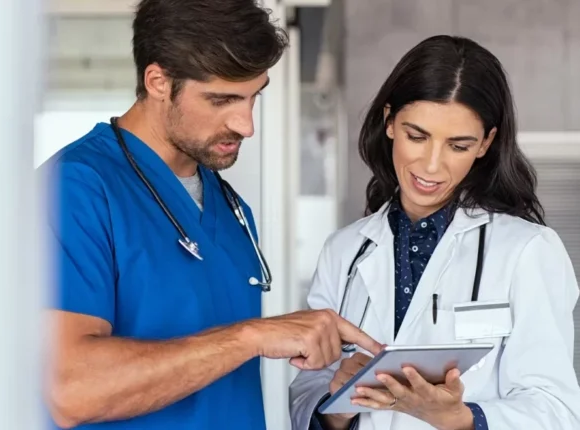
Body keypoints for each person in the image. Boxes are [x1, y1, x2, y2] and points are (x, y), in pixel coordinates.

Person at [40, 1, 382, 429]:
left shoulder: (232, 210)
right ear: (158, 81)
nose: (246, 124)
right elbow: (70, 390)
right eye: (222, 99)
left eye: (254, 96)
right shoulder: (75, 189)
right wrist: (250, 336)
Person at [288, 35, 580, 430]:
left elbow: (559, 414)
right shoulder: (344, 251)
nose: (431, 166)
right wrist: (337, 405)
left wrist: (462, 419)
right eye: (417, 136)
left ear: (486, 144)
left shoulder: (528, 250)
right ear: (390, 121)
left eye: (458, 146)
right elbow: (304, 397)